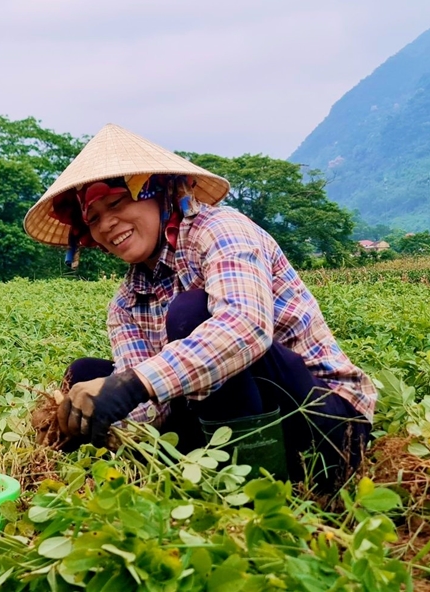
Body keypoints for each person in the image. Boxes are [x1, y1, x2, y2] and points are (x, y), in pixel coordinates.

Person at [21, 124, 376, 491]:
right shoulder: (125, 304)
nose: (107, 223)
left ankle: (258, 502)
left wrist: (134, 384)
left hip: (324, 421)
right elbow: (149, 409)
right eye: (92, 219)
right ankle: (222, 481)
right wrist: (89, 416)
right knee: (85, 375)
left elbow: (247, 326)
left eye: (116, 203)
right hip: (228, 419)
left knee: (191, 313)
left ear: (159, 192)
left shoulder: (221, 230)